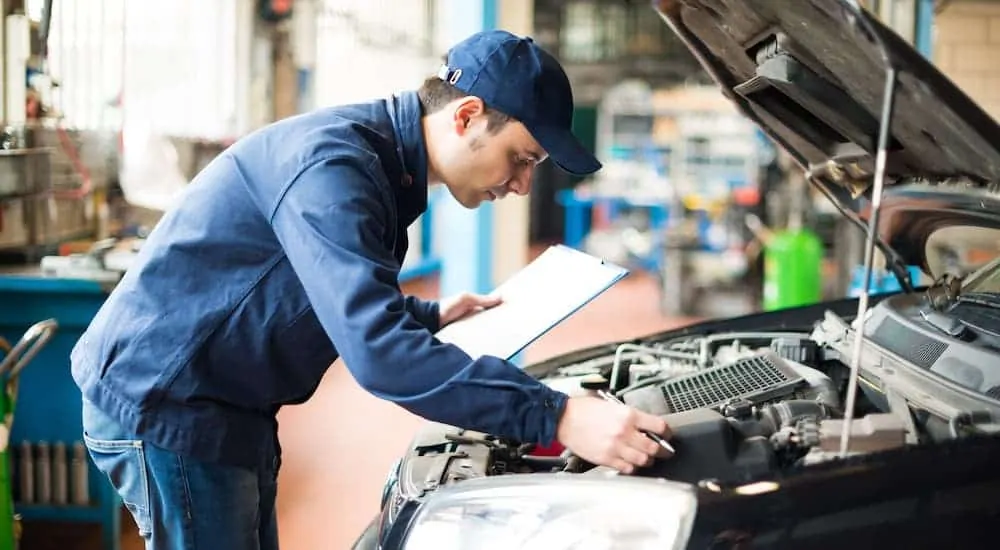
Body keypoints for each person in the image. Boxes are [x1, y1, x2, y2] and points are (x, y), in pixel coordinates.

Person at [72, 29, 672, 549]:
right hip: (169, 400)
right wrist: (559, 417)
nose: (519, 185)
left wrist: (428, 314)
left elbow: (307, 286)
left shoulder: (386, 166)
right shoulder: (334, 166)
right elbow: (379, 355)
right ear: (465, 116)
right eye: (521, 158)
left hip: (229, 400)